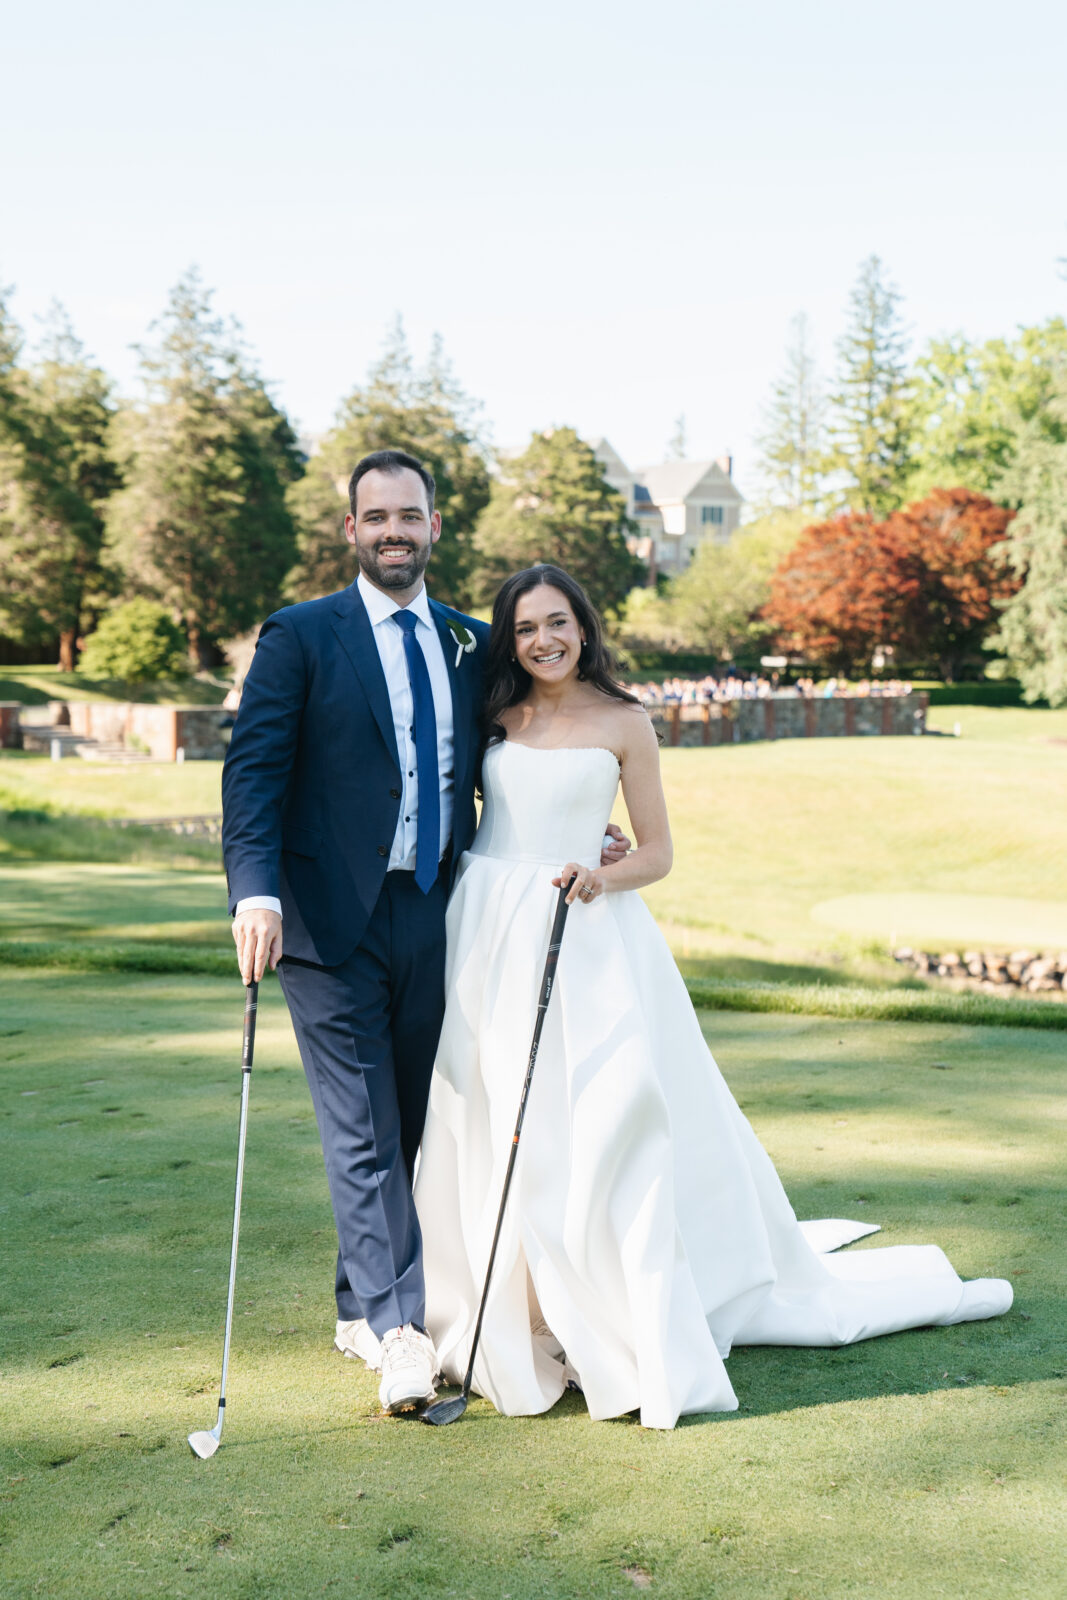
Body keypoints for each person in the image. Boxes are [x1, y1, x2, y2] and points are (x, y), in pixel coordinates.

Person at [413, 564, 1013, 1430]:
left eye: (556, 622)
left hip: (585, 936)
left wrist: (601, 870)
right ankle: (521, 1312)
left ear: (584, 626)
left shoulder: (626, 722)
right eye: (523, 628)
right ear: (507, 639)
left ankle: (619, 1311)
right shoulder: (493, 716)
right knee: (495, 1117)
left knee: (611, 1118)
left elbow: (656, 852)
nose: (541, 640)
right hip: (486, 933)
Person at [221, 453, 627, 1415]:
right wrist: (255, 894)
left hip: (443, 914)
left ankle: (357, 1302)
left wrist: (581, 825)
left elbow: (513, 762)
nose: (393, 530)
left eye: (410, 515)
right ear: (351, 528)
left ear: (435, 526)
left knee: (414, 1122)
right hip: (326, 925)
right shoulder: (300, 636)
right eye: (376, 517)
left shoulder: (470, 642)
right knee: (361, 1127)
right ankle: (402, 1333)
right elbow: (253, 777)